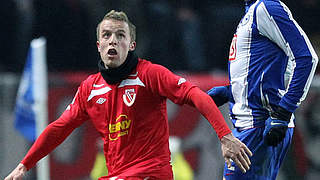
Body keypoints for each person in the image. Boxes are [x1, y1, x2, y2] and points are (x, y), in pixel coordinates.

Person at [5, 10, 252, 180]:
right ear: (98, 45)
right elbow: (59, 128)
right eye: (107, 35)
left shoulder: (149, 74)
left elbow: (195, 95)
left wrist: (225, 135)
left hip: (150, 174)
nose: (113, 41)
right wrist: (24, 164)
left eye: (120, 36)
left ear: (131, 45)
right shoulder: (90, 89)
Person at [207, 0, 318, 180]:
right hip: (251, 126)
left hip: (260, 125)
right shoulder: (253, 11)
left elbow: (307, 58)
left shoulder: (266, 7)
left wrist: (283, 113)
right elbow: (269, 71)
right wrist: (232, 91)